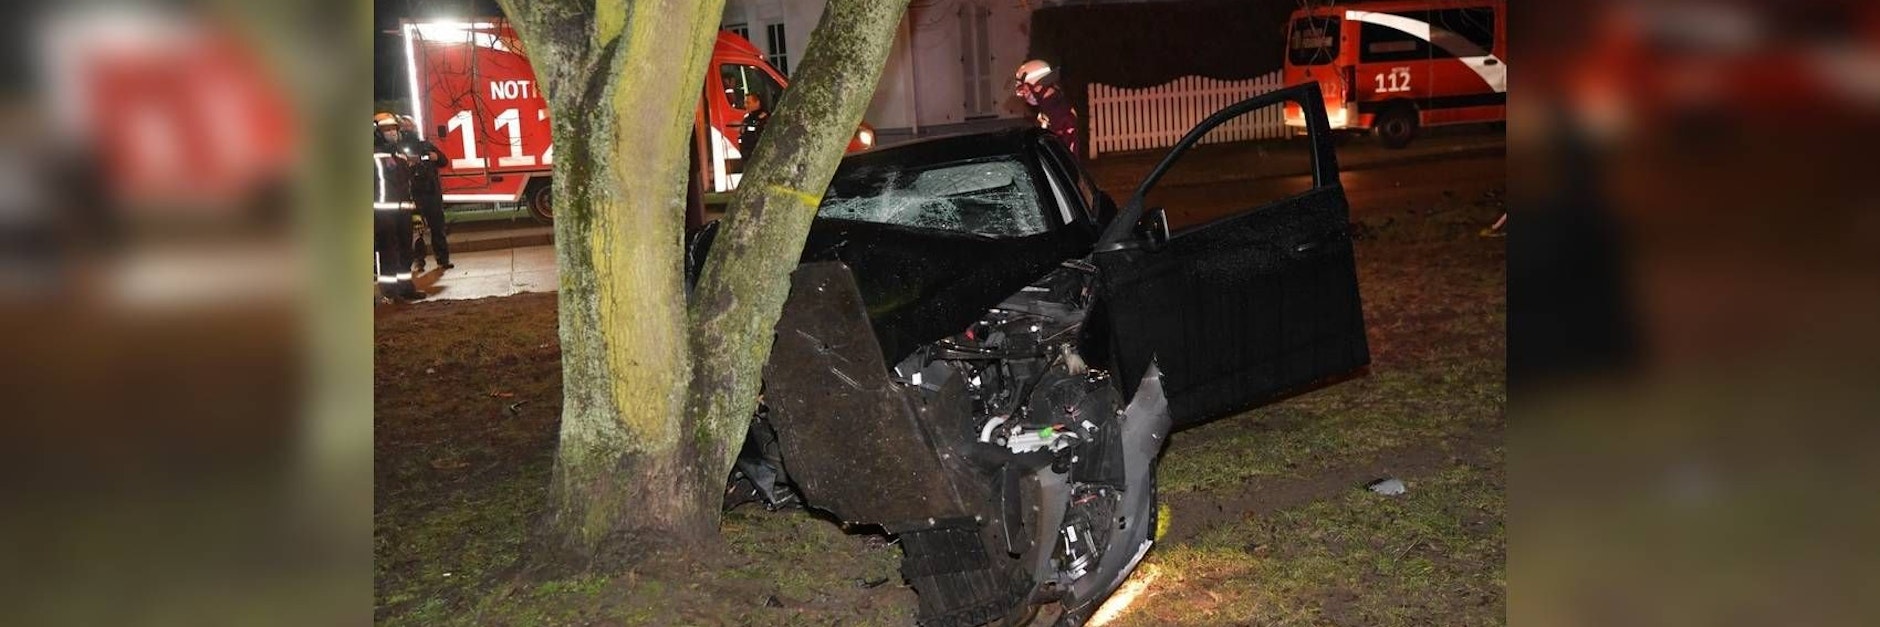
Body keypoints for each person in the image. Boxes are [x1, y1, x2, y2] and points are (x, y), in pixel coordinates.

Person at [372, 113, 425, 300]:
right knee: (388, 252)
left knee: (406, 250)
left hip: (404, 210)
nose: (392, 133)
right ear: (377, 133)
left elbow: (408, 185)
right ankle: (390, 291)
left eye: (394, 129)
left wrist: (415, 212)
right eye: (387, 130)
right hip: (382, 212)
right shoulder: (373, 155)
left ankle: (405, 287)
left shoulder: (401, 155)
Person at [394, 115, 453, 270]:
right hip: (413, 194)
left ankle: (443, 259)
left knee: (437, 227)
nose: (407, 128)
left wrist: (436, 156)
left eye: (410, 125)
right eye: (404, 126)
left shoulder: (425, 145)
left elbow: (443, 160)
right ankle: (419, 261)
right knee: (417, 230)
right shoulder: (398, 148)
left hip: (431, 192)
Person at [1014, 59, 1080, 157]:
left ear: (1038, 86)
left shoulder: (1061, 114)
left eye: (1025, 89)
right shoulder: (1048, 108)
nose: (1024, 94)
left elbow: (1068, 155)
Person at [736, 92, 771, 157]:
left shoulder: (765, 118)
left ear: (757, 103)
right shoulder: (747, 119)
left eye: (748, 103)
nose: (745, 105)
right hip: (747, 156)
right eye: (745, 103)